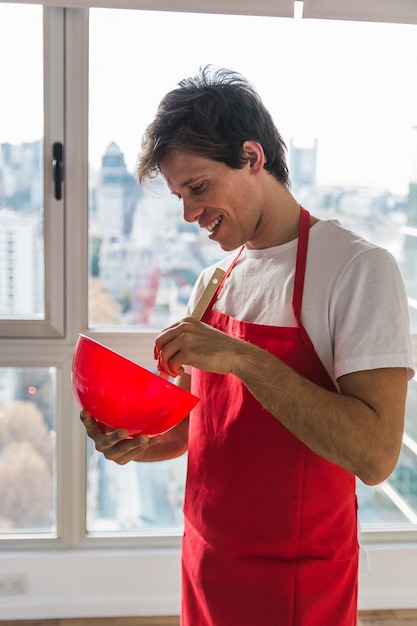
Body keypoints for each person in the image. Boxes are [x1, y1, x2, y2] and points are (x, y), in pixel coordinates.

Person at [81, 66, 414, 625]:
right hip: (206, 564)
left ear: (253, 157)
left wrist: (240, 357)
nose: (188, 213)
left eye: (199, 187)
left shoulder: (357, 268)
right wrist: (137, 440)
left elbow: (376, 455)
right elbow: (198, 428)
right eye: (179, 195)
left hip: (297, 584)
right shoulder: (213, 280)